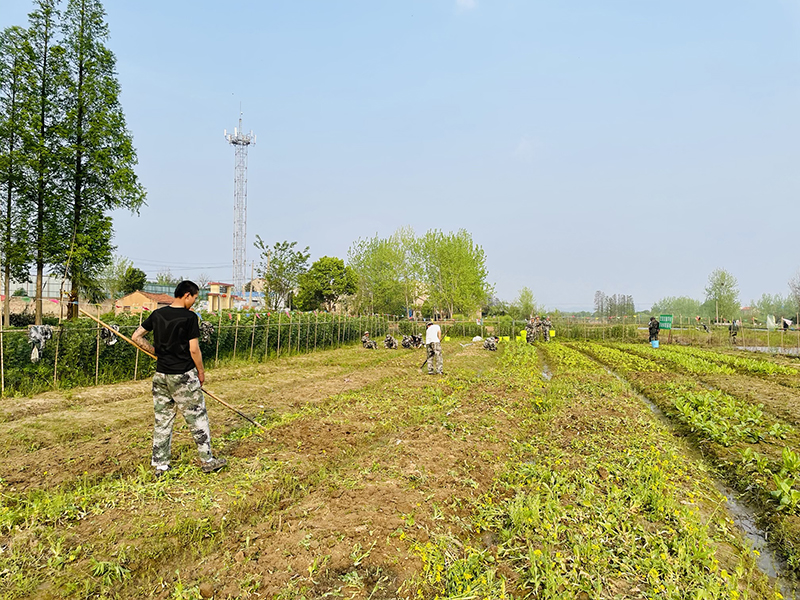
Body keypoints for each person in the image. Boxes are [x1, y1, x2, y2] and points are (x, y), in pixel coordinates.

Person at [132, 281, 227, 477]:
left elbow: (136, 337)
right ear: (186, 295)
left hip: (161, 376)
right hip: (183, 375)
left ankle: (160, 466)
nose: (194, 301)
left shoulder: (158, 314)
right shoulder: (189, 317)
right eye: (194, 297)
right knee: (197, 418)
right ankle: (207, 460)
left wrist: (156, 352)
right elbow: (194, 349)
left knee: (163, 420)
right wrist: (201, 372)